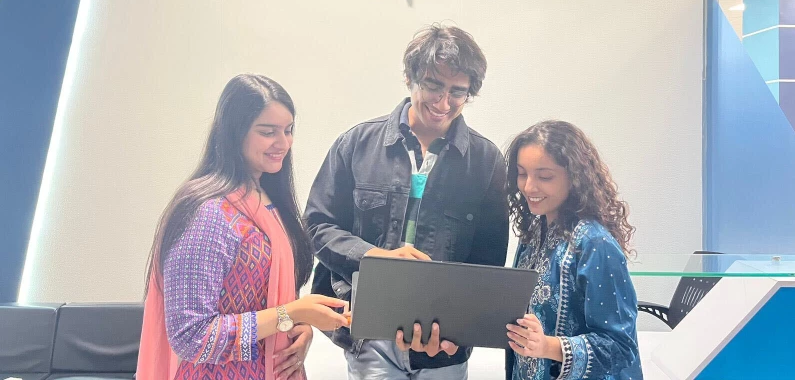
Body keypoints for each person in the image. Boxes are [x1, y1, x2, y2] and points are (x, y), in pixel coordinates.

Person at [305, 24, 509, 380]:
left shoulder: (487, 161)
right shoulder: (356, 144)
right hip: (368, 334)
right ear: (409, 77)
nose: (443, 103)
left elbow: (487, 264)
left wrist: (457, 335)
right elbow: (317, 226)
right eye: (433, 85)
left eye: (457, 92)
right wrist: (375, 257)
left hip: (443, 345)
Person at [137, 74, 349, 380]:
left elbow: (269, 302)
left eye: (288, 130)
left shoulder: (268, 201)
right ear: (235, 132)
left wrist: (299, 326)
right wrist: (290, 314)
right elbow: (191, 336)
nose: (283, 143)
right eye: (268, 132)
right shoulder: (208, 214)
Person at [504, 120, 643, 380]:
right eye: (522, 174)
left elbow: (621, 348)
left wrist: (547, 346)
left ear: (575, 178)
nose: (529, 187)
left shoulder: (595, 244)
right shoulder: (534, 233)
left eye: (545, 176)